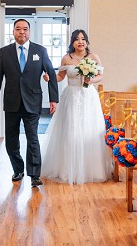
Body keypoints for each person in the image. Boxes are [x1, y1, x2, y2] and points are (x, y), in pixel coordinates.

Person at [0, 19, 59, 187]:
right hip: (12, 102)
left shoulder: (40, 51)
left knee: (32, 138)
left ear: (29, 32)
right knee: (11, 141)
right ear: (13, 32)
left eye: (25, 29)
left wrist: (53, 99)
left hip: (32, 102)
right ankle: (18, 169)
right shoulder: (5, 52)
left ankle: (34, 174)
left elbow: (50, 74)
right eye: (18, 29)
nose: (22, 32)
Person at [40, 30, 112, 185]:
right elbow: (60, 77)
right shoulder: (67, 58)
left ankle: (91, 169)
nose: (80, 42)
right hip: (71, 96)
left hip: (88, 97)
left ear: (87, 41)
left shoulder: (93, 57)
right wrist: (49, 78)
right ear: (72, 42)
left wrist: (91, 80)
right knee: (70, 129)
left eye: (83, 39)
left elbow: (100, 76)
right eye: (77, 39)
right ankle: (67, 169)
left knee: (88, 128)